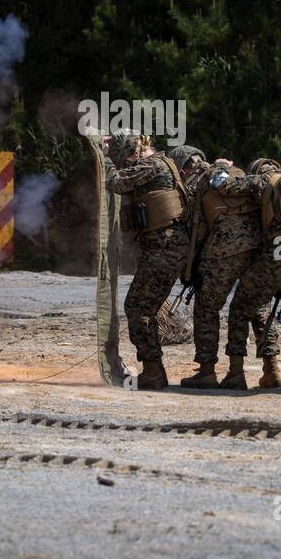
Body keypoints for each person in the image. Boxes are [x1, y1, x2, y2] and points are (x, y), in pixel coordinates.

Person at [102, 131, 190, 390]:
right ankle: (154, 371)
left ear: (133, 152)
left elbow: (114, 182)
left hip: (165, 247)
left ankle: (152, 371)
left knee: (137, 308)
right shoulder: (158, 163)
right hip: (166, 247)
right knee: (143, 308)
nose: (127, 164)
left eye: (126, 158)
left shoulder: (151, 165)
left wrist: (106, 158)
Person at [173, 146, 263, 389]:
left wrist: (192, 265)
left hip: (223, 251)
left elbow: (198, 227)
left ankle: (207, 371)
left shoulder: (198, 182)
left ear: (184, 167)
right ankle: (266, 369)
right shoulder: (237, 171)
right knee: (252, 308)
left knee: (206, 308)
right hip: (256, 247)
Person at [210, 157, 281, 389]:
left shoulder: (261, 181)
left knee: (241, 307)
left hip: (278, 254)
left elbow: (220, 183)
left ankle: (235, 373)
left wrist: (222, 167)